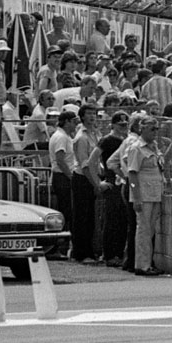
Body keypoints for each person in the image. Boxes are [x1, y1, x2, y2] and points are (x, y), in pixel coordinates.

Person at [88, 111, 131, 267]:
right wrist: (98, 182)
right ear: (113, 125)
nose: (123, 127)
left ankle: (118, 253)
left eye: (125, 124)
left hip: (122, 181)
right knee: (111, 220)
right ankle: (109, 254)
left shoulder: (126, 140)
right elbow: (91, 161)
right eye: (120, 125)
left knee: (122, 220)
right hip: (112, 181)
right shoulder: (107, 140)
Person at [126, 116, 165, 276]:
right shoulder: (136, 148)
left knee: (151, 231)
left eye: (156, 129)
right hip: (143, 195)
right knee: (143, 230)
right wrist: (136, 198)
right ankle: (142, 265)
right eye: (151, 129)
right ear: (142, 129)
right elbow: (132, 174)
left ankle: (149, 262)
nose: (155, 132)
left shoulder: (154, 147)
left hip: (155, 193)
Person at [71, 103, 104, 263]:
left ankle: (90, 251)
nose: (92, 117)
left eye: (94, 113)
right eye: (89, 114)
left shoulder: (95, 134)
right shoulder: (81, 137)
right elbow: (84, 164)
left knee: (91, 217)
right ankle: (81, 253)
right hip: (83, 179)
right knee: (82, 217)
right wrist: (95, 184)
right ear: (82, 116)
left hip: (93, 175)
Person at [48, 110, 77, 259]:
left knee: (67, 211)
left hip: (62, 176)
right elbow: (60, 159)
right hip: (62, 177)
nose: (76, 124)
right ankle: (60, 247)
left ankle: (63, 247)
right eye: (73, 121)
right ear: (66, 122)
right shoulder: (61, 137)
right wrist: (71, 176)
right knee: (66, 211)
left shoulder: (64, 136)